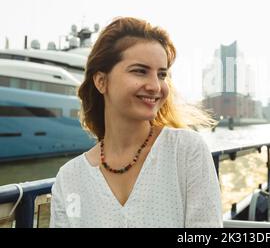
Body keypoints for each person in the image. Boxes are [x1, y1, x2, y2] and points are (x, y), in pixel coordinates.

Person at [50, 17, 222, 228]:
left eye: (161, 74)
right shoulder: (69, 178)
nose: (156, 86)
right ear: (101, 81)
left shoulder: (185, 151)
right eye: (140, 71)